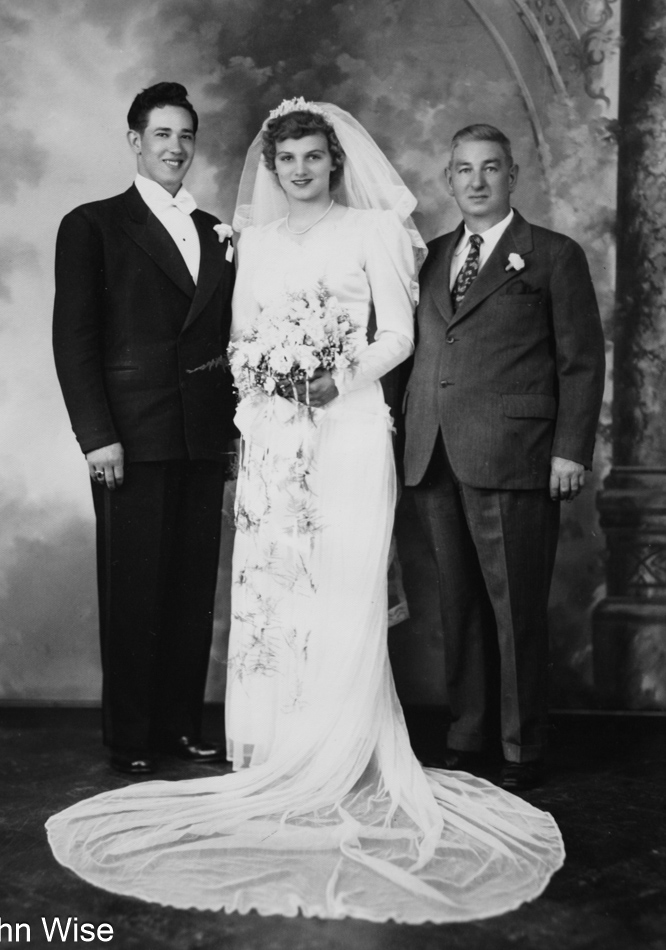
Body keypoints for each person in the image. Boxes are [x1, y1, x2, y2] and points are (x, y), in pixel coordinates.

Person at [46, 102, 564, 924]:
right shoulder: (248, 243)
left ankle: (346, 750)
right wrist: (265, 380)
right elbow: (239, 336)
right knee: (273, 595)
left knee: (341, 587)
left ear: (334, 162)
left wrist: (337, 376)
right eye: (284, 158)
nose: (298, 170)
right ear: (271, 164)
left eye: (312, 157)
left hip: (350, 430)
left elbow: (399, 335)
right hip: (276, 439)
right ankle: (280, 749)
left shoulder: (374, 233)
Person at [403, 124, 606, 791]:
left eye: (491, 168)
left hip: (516, 455)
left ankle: (522, 747)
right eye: (464, 170)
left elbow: (581, 361)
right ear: (449, 179)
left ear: (512, 175)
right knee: (456, 605)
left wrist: (571, 450)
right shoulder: (429, 258)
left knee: (515, 607)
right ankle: (468, 734)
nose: (478, 181)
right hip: (435, 454)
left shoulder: (551, 255)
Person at [52, 82, 236, 776]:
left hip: (201, 437)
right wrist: (97, 436)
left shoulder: (217, 230)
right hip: (129, 438)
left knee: (191, 592)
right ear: (135, 142)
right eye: (162, 135)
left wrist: (233, 434)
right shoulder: (93, 225)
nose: (176, 148)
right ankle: (131, 737)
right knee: (133, 592)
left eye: (186, 136)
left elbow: (223, 337)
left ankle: (179, 727)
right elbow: (75, 342)